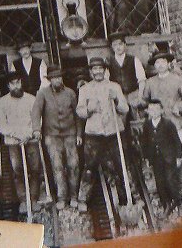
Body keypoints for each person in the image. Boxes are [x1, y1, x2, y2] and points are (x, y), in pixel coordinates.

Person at [76, 57, 128, 212]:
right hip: (94, 133)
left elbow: (125, 109)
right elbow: (79, 111)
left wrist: (117, 100)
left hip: (114, 131)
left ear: (105, 70)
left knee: (121, 165)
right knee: (89, 166)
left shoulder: (114, 87)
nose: (98, 71)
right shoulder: (85, 89)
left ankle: (126, 198)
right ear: (91, 72)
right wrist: (88, 110)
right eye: (94, 69)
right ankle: (83, 199)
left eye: (100, 68)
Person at [32, 64, 79, 210]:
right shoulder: (42, 94)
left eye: (59, 77)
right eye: (54, 78)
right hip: (52, 136)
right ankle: (61, 197)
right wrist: (36, 129)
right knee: (57, 166)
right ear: (49, 80)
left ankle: (74, 197)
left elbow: (77, 115)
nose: (57, 80)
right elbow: (36, 112)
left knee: (73, 165)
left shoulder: (70, 93)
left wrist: (79, 134)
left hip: (70, 134)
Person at [0, 71, 41, 213]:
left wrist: (28, 134)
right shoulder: (2, 102)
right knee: (17, 171)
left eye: (18, 82)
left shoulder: (31, 99)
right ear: (8, 86)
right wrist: (15, 134)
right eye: (13, 84)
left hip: (31, 139)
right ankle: (23, 200)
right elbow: (1, 124)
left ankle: (33, 199)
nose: (16, 86)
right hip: (13, 142)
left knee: (35, 169)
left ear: (21, 83)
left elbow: (37, 119)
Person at [141, 99, 182, 213]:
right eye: (151, 109)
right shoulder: (147, 125)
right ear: (148, 111)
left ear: (161, 111)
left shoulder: (168, 124)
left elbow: (177, 142)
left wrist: (178, 157)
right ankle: (166, 203)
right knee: (159, 182)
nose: (153, 112)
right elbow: (144, 143)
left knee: (170, 179)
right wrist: (147, 158)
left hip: (169, 157)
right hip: (156, 158)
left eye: (156, 109)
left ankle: (177, 200)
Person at [141, 50, 182, 135]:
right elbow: (145, 101)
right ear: (154, 65)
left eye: (163, 62)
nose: (160, 65)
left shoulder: (178, 80)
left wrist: (178, 106)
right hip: (156, 123)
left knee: (177, 146)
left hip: (175, 122)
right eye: (157, 62)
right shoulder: (150, 82)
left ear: (168, 63)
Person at [108, 32, 146, 107]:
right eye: (115, 45)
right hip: (118, 97)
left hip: (133, 95)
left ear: (125, 45)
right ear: (112, 47)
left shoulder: (134, 60)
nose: (118, 47)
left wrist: (140, 96)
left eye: (120, 44)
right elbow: (106, 82)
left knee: (136, 117)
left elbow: (141, 79)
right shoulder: (108, 62)